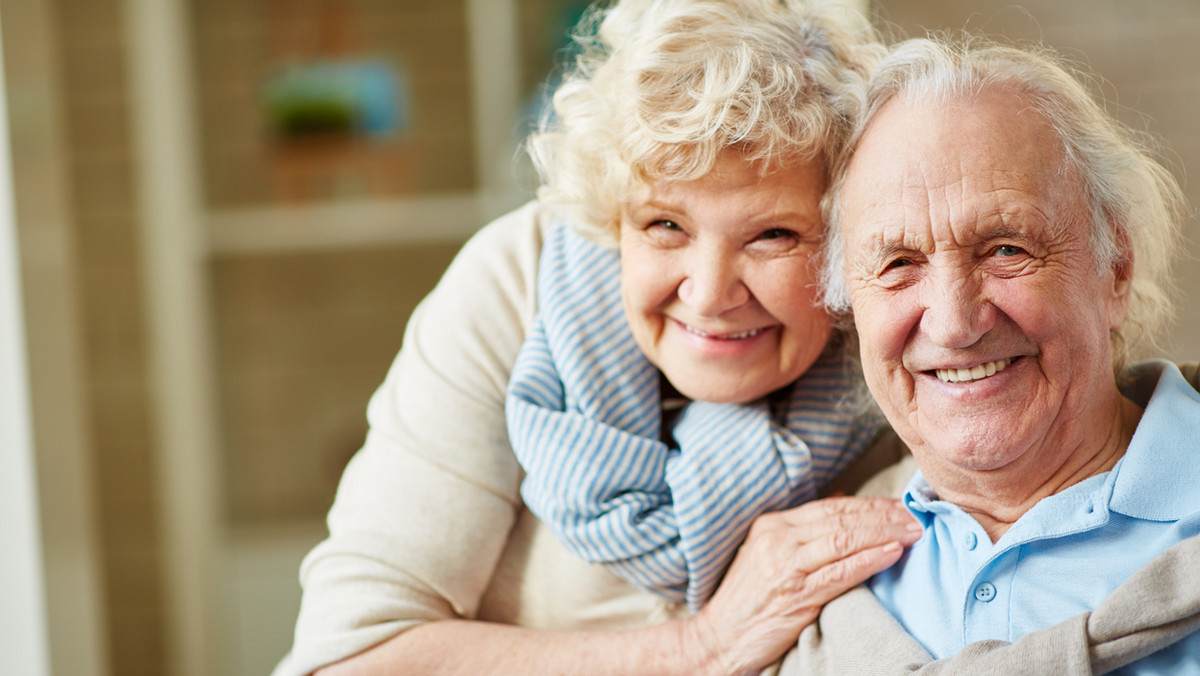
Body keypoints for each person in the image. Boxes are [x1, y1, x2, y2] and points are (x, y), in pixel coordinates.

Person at [274, 3, 925, 675]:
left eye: (772, 235)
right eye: (665, 225)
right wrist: (702, 649)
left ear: (852, 240)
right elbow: (346, 657)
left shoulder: (901, 330)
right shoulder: (515, 284)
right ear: (614, 217)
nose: (706, 293)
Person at [819, 34, 1200, 673]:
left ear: (1115, 272)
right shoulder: (816, 577)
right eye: (898, 263)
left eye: (1005, 249)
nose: (955, 323)